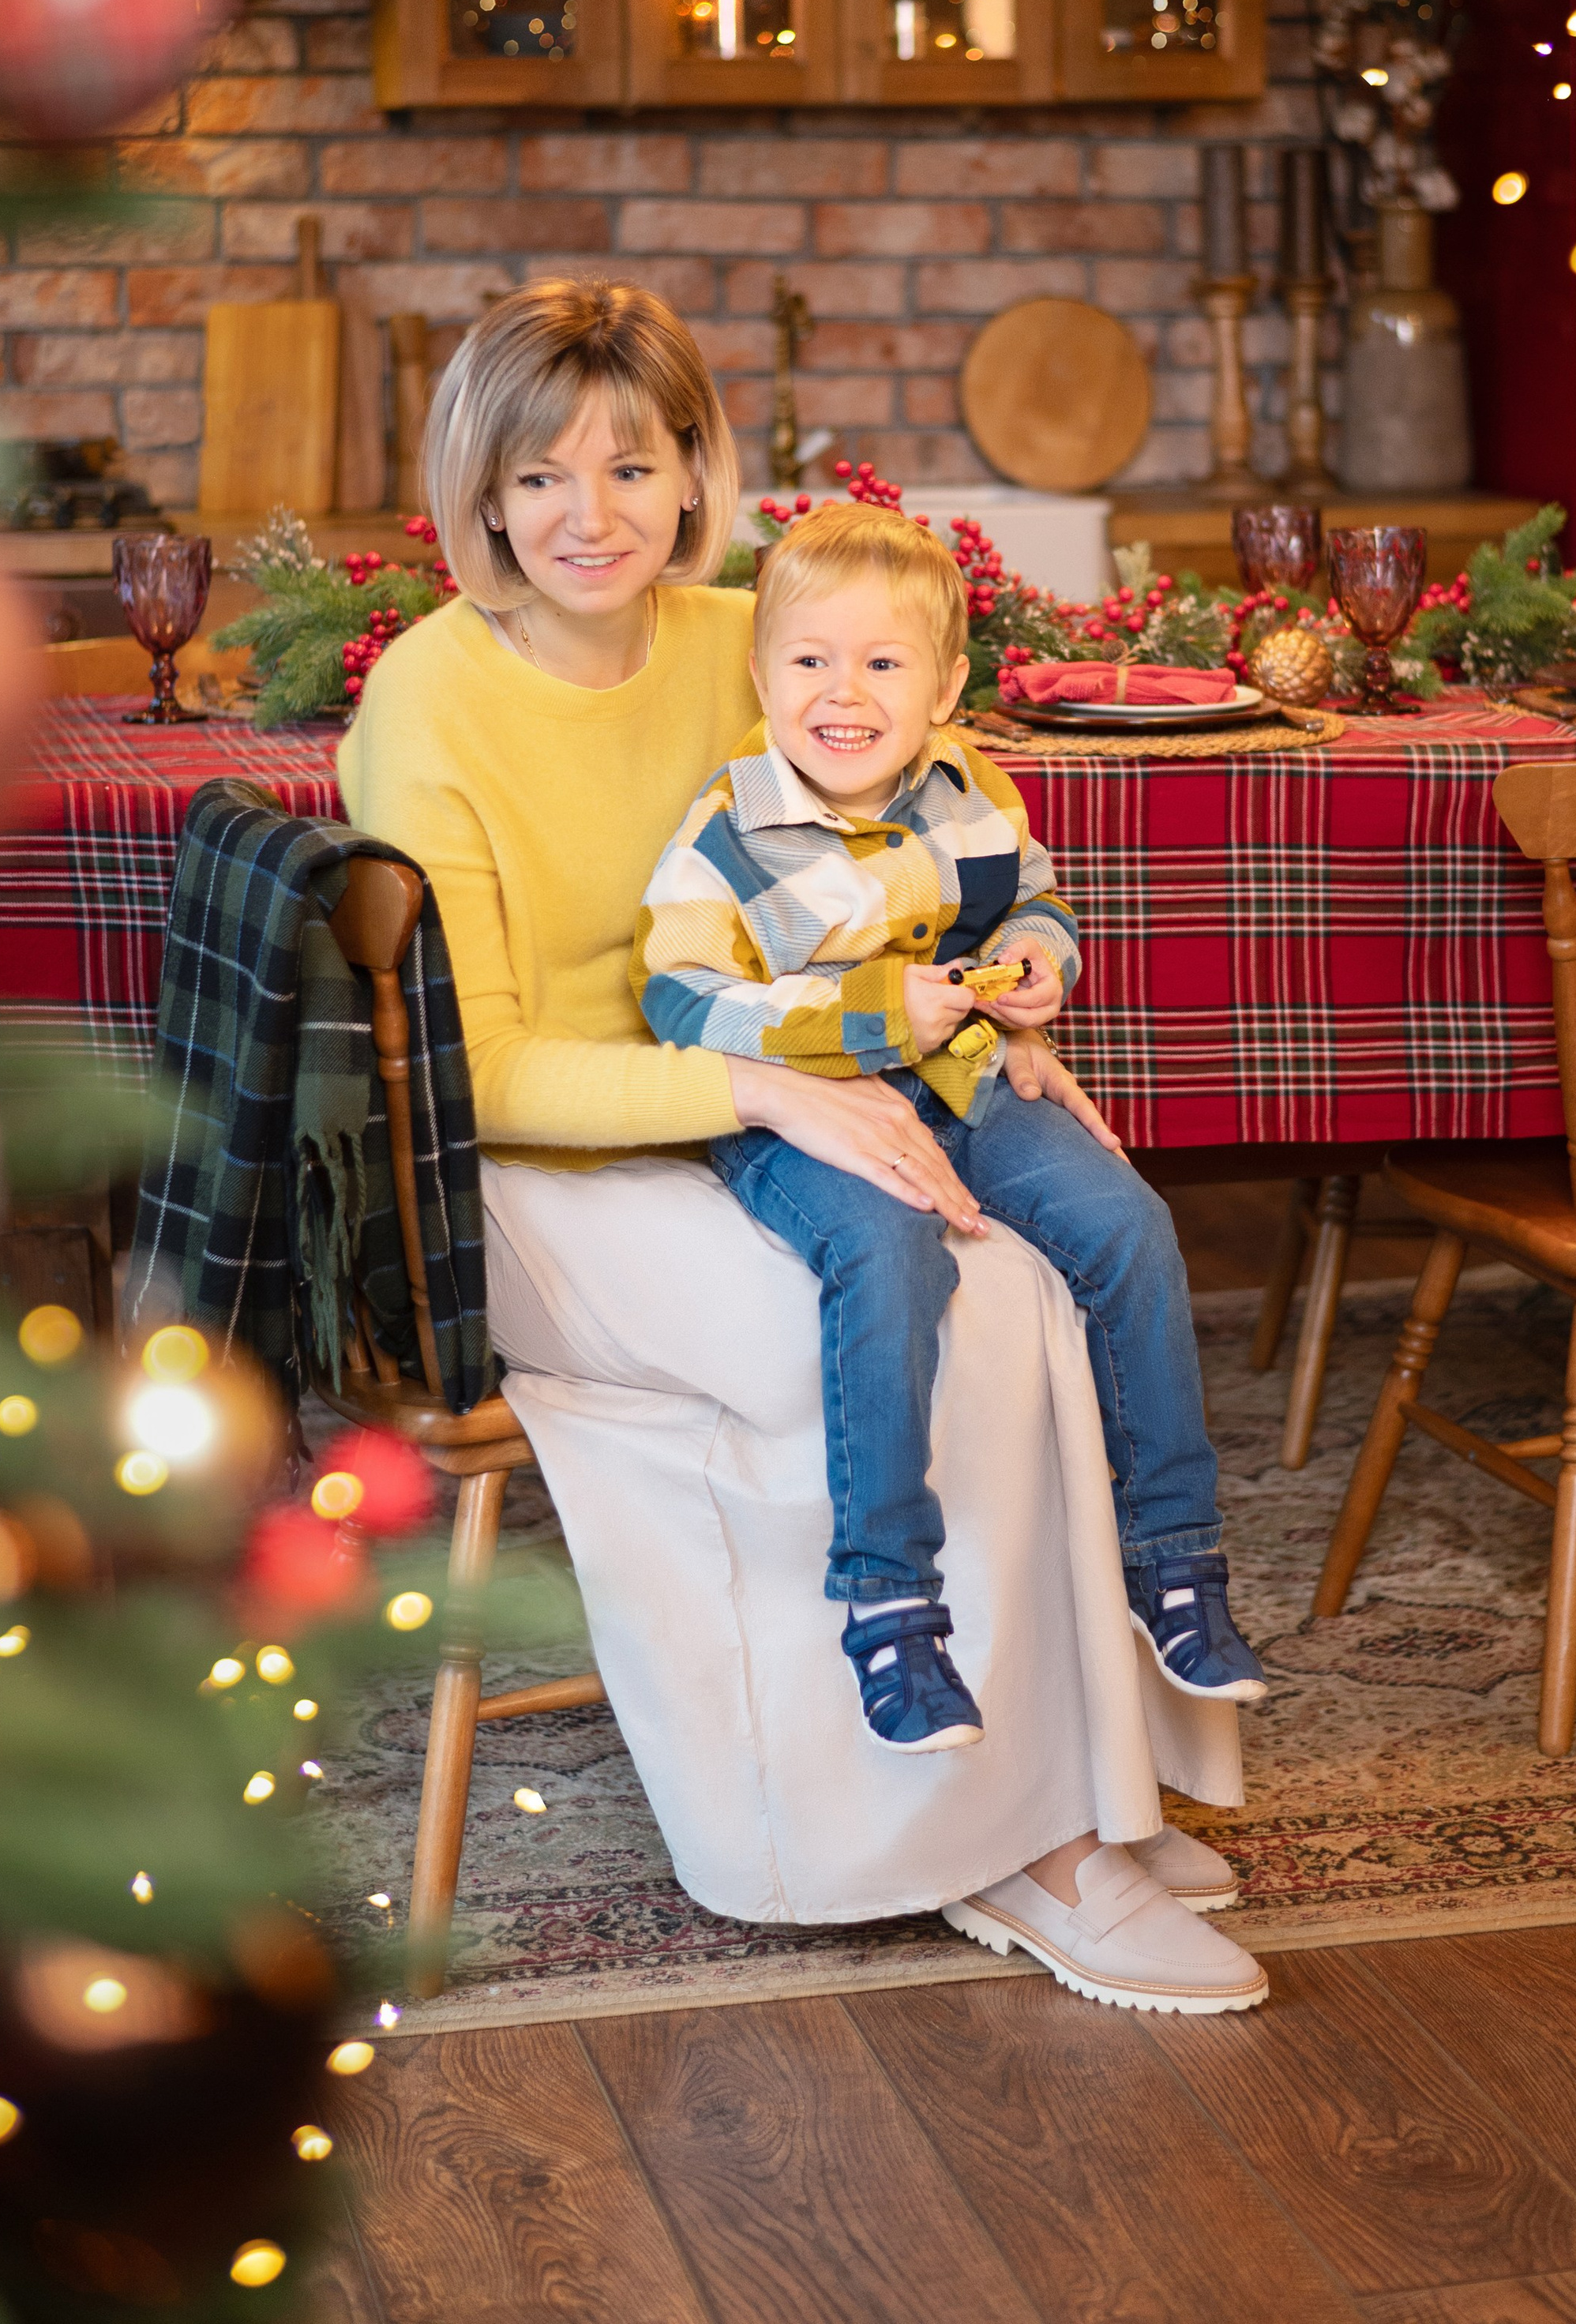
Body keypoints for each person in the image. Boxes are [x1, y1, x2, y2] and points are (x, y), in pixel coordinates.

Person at [339, 279, 1263, 2015]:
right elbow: (479, 1063)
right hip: (550, 1157)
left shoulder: (744, 635)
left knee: (1034, 1265)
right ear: (478, 494)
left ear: (698, 475)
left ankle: (1086, 1785)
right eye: (537, 477)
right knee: (936, 1315)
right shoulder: (429, 700)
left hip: (800, 1091)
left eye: (632, 465)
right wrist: (760, 1091)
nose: (588, 516)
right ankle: (1010, 1848)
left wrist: (1006, 1016)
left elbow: (936, 803)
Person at [633, 501, 1268, 1765]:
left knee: (1127, 1228)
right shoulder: (730, 826)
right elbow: (678, 997)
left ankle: (1174, 1561)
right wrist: (866, 1011)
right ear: (762, 675)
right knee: (890, 1255)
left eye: (881, 663)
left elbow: (1031, 897)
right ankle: (888, 1599)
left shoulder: (969, 785)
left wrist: (1037, 963)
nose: (842, 693)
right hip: (797, 1115)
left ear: (944, 686)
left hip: (967, 1077)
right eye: (808, 660)